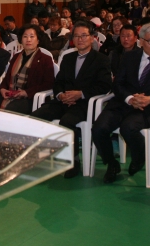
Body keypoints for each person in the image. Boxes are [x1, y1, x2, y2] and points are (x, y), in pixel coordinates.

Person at [92, 22, 150, 183]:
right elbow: (118, 84)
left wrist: (149, 99)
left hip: (146, 108)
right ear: (142, 41)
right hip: (123, 103)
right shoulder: (130, 57)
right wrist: (130, 98)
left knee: (128, 128)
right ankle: (111, 164)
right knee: (98, 129)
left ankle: (139, 158)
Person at [31, 20, 112, 178]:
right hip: (63, 100)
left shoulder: (101, 59)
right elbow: (58, 81)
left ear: (92, 38)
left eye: (84, 36)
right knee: (36, 116)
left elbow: (104, 86)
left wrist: (80, 93)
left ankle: (73, 161)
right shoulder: (68, 58)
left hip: (84, 103)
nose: (80, 39)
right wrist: (61, 94)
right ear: (72, 39)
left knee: (67, 121)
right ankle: (41, 155)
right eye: (77, 36)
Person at [0, 24, 55, 115]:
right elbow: (7, 78)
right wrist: (2, 89)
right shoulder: (16, 57)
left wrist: (25, 92)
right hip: (11, 94)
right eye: (25, 36)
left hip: (30, 98)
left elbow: (49, 83)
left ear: (38, 40)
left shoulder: (45, 59)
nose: (28, 40)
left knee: (10, 111)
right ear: (21, 40)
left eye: (32, 36)